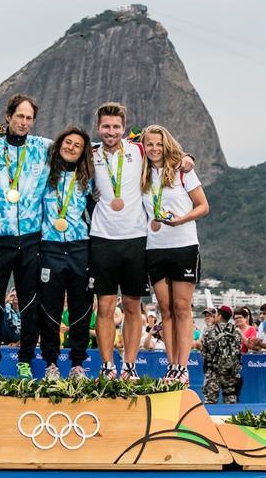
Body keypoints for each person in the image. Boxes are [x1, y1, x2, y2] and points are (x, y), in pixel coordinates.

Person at [89, 104, 195, 381]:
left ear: (124, 129)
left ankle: (129, 366)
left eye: (115, 127)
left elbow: (167, 153)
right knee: (105, 307)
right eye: (105, 126)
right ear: (98, 127)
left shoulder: (137, 151)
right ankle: (107, 367)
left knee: (133, 305)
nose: (110, 131)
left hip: (137, 239)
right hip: (101, 238)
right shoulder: (90, 156)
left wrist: (187, 158)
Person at [0, 95, 50, 380]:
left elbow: (81, 147)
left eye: (29, 117)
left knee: (29, 303)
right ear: (7, 117)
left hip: (31, 238)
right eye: (19, 116)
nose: (24, 122)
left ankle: (25, 360)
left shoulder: (42, 147)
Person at [139, 125, 209, 384]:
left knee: (182, 308)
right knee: (165, 309)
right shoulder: (142, 174)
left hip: (184, 245)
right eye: (149, 145)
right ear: (144, 147)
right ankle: (172, 366)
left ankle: (183, 365)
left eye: (158, 144)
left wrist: (182, 220)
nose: (154, 149)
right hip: (154, 247)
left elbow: (203, 206)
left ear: (166, 144)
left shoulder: (183, 170)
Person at [37, 126, 96, 381]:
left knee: (80, 309)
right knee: (49, 309)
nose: (71, 147)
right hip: (49, 247)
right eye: (68, 142)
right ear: (59, 144)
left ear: (84, 152)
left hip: (79, 247)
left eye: (77, 145)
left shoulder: (89, 179)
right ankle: (51, 364)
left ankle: (77, 365)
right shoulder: (44, 174)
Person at [200, 305, 242, 404]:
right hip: (231, 373)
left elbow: (204, 352)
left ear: (219, 316)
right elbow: (238, 350)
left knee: (210, 401)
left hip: (213, 372)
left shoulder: (209, 330)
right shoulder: (236, 331)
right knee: (231, 401)